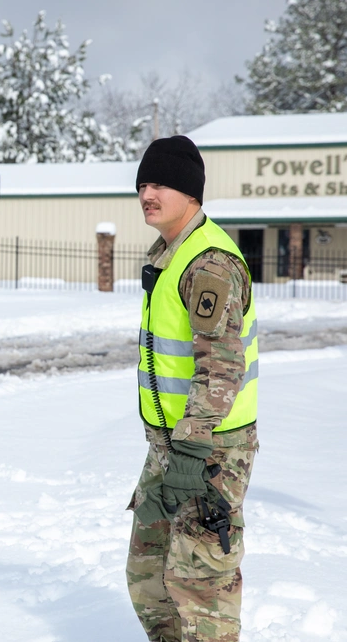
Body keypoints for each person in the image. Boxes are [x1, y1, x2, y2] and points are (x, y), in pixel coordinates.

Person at [126, 135, 259, 642]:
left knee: (201, 588)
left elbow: (222, 368)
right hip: (169, 447)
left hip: (208, 452)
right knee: (150, 578)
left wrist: (190, 450)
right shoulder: (169, 255)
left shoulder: (208, 264)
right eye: (142, 184)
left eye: (159, 183)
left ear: (191, 193)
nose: (146, 194)